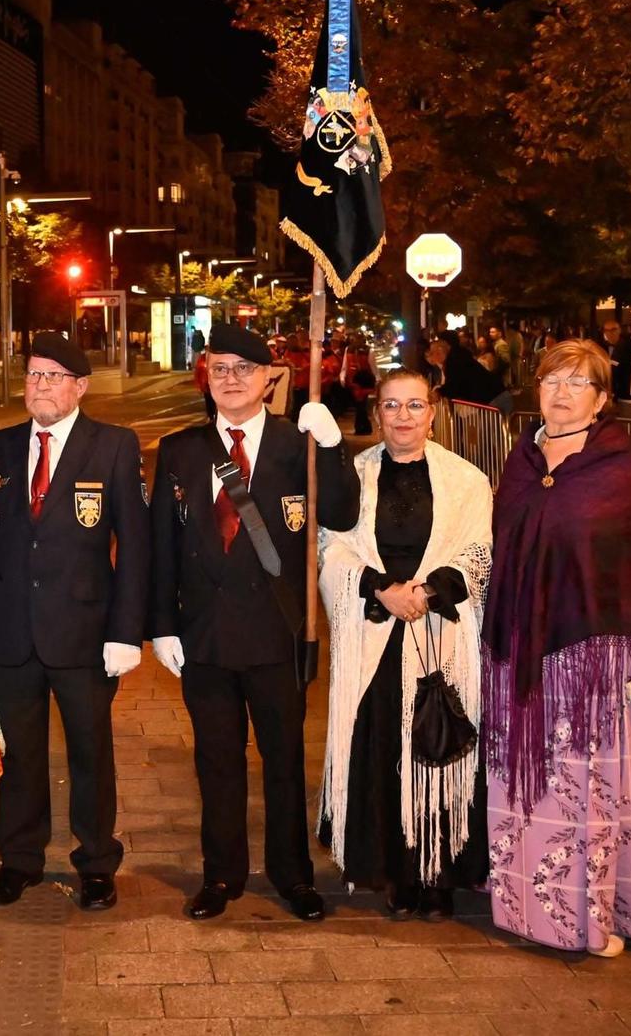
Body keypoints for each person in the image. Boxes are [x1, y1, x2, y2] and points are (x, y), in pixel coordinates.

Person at [482, 338, 631, 957]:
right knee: (535, 786)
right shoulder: (522, 461)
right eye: (551, 380)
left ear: (602, 398)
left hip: (599, 661)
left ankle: (605, 913)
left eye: (577, 383)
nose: (560, 394)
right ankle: (535, 912)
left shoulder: (620, 465)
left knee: (601, 788)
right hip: (528, 657)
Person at [150, 323, 350, 923]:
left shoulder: (299, 445)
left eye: (245, 368)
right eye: (220, 368)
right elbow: (162, 542)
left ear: (270, 378)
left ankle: (293, 875)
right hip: (204, 634)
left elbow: (339, 513)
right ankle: (222, 874)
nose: (231, 378)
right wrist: (161, 625)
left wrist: (334, 448)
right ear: (206, 378)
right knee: (216, 761)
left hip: (276, 633)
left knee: (285, 760)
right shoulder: (182, 449)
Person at [0, 332, 149, 913]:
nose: (41, 386)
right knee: (18, 753)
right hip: (11, 635)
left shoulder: (114, 446)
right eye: (33, 375)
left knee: (89, 752)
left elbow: (136, 546)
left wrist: (127, 631)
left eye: (53, 376)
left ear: (80, 386)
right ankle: (19, 858)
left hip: (85, 635)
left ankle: (96, 862)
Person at [317, 365, 492, 921]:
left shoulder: (467, 480)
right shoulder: (356, 476)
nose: (403, 417)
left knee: (438, 748)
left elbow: (478, 552)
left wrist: (432, 590)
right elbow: (332, 547)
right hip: (376, 633)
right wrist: (381, 589)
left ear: (433, 413)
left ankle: (439, 874)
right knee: (382, 753)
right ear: (376, 415)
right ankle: (395, 870)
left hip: (438, 633)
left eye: (414, 405)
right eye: (391, 406)